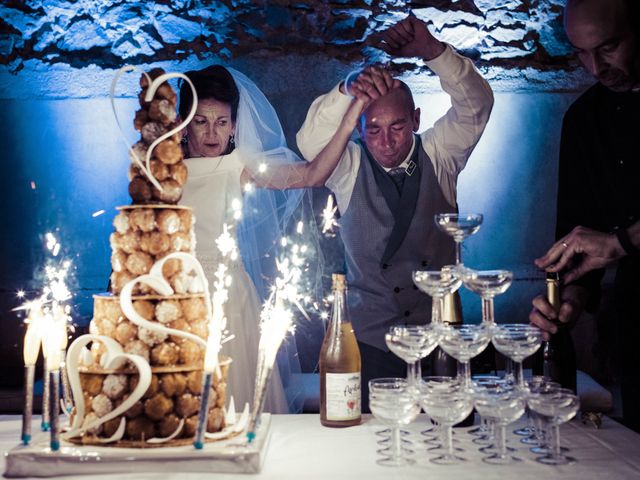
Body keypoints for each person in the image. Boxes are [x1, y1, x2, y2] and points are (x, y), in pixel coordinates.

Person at [297, 15, 494, 411]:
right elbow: (310, 142)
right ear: (358, 130)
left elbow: (476, 105)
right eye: (373, 130)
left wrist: (432, 52)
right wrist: (348, 87)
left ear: (417, 120)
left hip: (439, 341)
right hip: (369, 345)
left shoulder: (441, 155)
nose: (385, 142)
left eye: (398, 127)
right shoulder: (348, 166)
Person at [177, 66, 368, 413]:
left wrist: (350, 119)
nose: (211, 133)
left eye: (221, 122)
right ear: (184, 123)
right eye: (201, 121)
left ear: (235, 125)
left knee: (233, 403)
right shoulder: (161, 168)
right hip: (173, 297)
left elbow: (312, 175)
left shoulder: (239, 166)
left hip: (226, 298)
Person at [529, 0, 639, 432]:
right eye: (581, 53)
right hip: (634, 336)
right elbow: (578, 239)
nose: (595, 67)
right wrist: (568, 301)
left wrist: (619, 243)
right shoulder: (584, 120)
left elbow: (608, 244)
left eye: (608, 47)